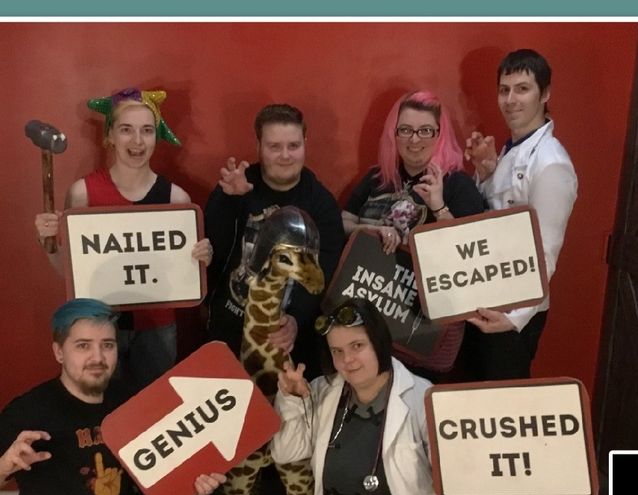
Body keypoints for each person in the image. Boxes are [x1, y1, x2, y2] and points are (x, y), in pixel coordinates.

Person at [271, 298, 529, 495]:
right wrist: (292, 399)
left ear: (379, 343)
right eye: (337, 351)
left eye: (357, 346)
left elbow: (458, 473)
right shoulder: (322, 391)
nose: (347, 360)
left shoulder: (425, 399)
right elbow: (286, 452)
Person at [34, 87, 214, 391]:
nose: (137, 141)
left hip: (157, 328)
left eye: (147, 130)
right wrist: (49, 243)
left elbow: (186, 279)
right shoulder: (83, 194)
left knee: (154, 408)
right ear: (110, 136)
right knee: (101, 408)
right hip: (98, 328)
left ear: (156, 137)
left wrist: (200, 261)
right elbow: (70, 274)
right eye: (126, 130)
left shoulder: (176, 200)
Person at [0, 298, 225, 495]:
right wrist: (3, 468)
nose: (98, 358)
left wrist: (193, 482)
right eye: (83, 346)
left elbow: (161, 472)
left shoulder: (133, 401)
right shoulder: (28, 411)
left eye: (107, 345)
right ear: (59, 352)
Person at [204, 103, 345, 380]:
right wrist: (228, 201)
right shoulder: (237, 186)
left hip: (289, 346)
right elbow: (211, 251)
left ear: (305, 143)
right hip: (228, 333)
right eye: (274, 146)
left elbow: (326, 272)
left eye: (293, 145)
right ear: (258, 146)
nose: (285, 155)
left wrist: (296, 319)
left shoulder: (322, 204)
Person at [463, 49, 578, 380]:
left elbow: (545, 250)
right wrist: (486, 172)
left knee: (501, 399)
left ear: (545, 94)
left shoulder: (551, 164)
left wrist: (515, 319)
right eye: (504, 90)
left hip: (512, 312)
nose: (511, 100)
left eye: (522, 89)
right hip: (486, 296)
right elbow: (498, 214)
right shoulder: (513, 147)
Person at [342, 89, 484, 254]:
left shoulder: (458, 184)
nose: (414, 139)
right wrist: (369, 230)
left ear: (440, 135)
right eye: (405, 130)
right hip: (363, 267)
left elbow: (468, 249)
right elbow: (343, 223)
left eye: (425, 130)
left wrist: (439, 208)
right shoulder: (377, 177)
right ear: (393, 134)